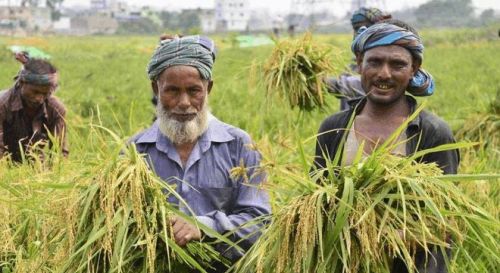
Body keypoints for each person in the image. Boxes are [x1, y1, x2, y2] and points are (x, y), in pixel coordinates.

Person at [313, 23, 459, 272]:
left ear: (414, 69)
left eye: (397, 65)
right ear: (359, 63)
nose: (384, 74)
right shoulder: (334, 128)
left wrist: (392, 236)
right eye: (375, 62)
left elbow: (446, 222)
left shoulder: (432, 132)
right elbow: (317, 203)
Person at [130, 35, 271, 271]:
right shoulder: (135, 151)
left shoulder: (239, 145)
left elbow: (259, 220)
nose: (184, 102)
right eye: (172, 91)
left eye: (194, 90)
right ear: (156, 88)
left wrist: (204, 226)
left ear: (209, 88)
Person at [0, 52, 68, 163]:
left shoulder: (56, 109)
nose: (39, 99)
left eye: (45, 93)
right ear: (22, 83)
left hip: (35, 167)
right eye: (35, 92)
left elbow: (58, 152)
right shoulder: (3, 105)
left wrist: (54, 177)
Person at [325, 7, 392, 111]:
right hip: (349, 124)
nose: (358, 33)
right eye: (355, 29)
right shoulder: (354, 63)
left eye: (361, 28)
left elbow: (360, 84)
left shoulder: (388, 56)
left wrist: (325, 82)